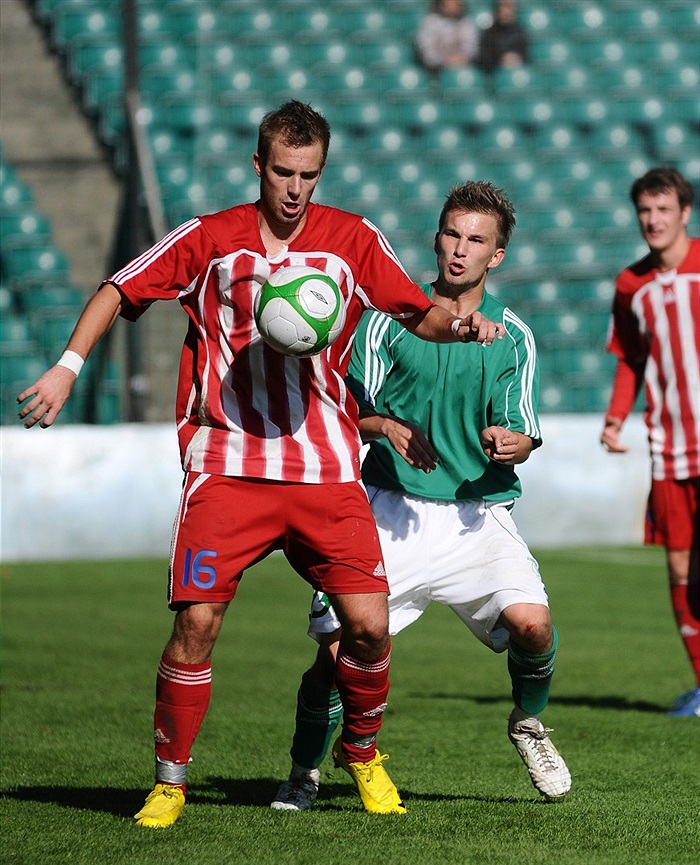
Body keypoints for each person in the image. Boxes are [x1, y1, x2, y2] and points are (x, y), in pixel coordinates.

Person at [17, 101, 505, 826]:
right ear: (258, 165)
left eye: (308, 174)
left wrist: (462, 326)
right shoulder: (212, 239)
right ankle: (170, 782)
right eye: (282, 171)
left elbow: (413, 311)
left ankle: (362, 753)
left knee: (368, 628)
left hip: (326, 467)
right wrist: (67, 367)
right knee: (197, 624)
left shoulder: (350, 238)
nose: (294, 188)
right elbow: (120, 288)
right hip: (229, 464)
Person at [270, 180, 572, 812]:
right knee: (334, 656)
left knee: (534, 627)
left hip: (475, 517)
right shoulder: (386, 319)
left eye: (476, 241)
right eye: (452, 234)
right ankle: (303, 770)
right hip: (386, 508)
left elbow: (524, 431)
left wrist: (512, 444)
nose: (459, 250)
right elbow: (336, 413)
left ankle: (528, 723)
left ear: (498, 257)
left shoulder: (512, 336)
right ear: (436, 238)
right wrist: (385, 427)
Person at [600, 166, 699, 718]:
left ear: (685, 212)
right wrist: (616, 418)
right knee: (681, 570)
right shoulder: (630, 284)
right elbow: (630, 361)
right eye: (645, 210)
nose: (653, 220)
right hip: (671, 449)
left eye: (664, 209)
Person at [415, 0, 479, 73]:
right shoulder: (429, 22)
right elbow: (426, 52)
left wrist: (462, 58)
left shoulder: (467, 22)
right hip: (435, 70)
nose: (453, 3)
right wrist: (444, 61)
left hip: (463, 67)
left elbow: (472, 48)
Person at [478, 0, 529, 76]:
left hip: (517, 72)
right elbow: (484, 60)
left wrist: (516, 58)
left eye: (508, 7)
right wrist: (500, 60)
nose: (505, 11)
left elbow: (527, 57)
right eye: (502, 6)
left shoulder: (521, 32)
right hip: (496, 74)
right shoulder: (489, 34)